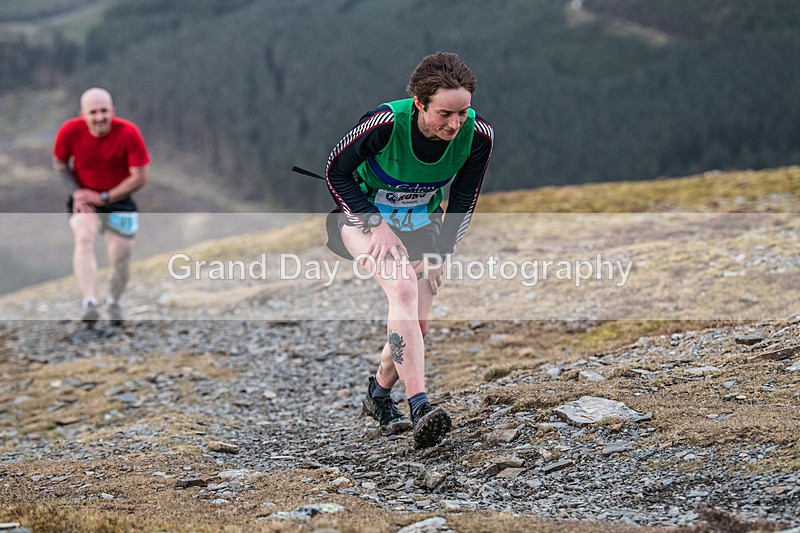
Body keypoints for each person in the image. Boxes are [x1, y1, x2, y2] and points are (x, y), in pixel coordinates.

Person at [325, 52, 493, 449]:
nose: (455, 123)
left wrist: (442, 251)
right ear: (420, 104)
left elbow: (465, 198)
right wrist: (374, 222)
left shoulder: (478, 136)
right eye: (445, 113)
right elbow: (336, 169)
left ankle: (379, 395)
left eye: (463, 112)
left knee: (417, 325)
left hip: (422, 226)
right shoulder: (385, 124)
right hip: (362, 219)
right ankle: (420, 407)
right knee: (401, 289)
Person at [53, 87, 150, 326]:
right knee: (83, 237)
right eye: (93, 112)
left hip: (118, 199)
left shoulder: (128, 132)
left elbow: (139, 177)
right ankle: (89, 302)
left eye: (104, 111)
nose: (99, 118)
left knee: (121, 258)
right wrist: (77, 193)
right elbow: (60, 164)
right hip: (85, 197)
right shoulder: (69, 131)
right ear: (83, 114)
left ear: (113, 111)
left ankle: (114, 301)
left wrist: (105, 197)